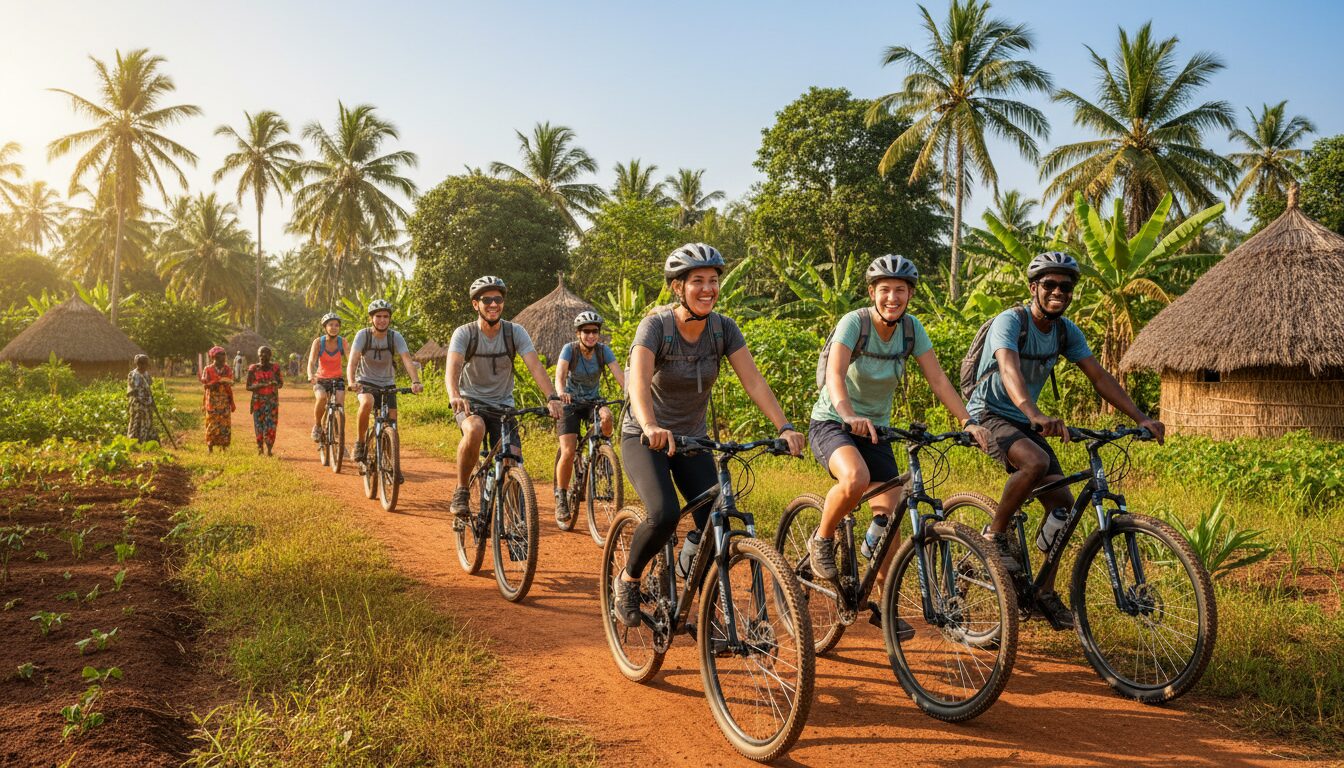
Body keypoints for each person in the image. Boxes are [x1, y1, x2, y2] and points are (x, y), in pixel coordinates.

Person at [964, 251, 1165, 629]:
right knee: (1035, 463)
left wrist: (1140, 417)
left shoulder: (1065, 331)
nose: (1058, 292)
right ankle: (993, 534)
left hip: (1027, 420)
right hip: (989, 414)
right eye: (1050, 285)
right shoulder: (1012, 321)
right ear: (1033, 288)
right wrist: (1033, 412)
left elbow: (1099, 377)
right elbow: (1007, 367)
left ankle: (1043, 591)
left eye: (1066, 287)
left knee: (1064, 510)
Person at [613, 244, 805, 627]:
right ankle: (628, 579)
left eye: (713, 281)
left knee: (714, 522)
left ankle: (690, 593)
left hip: (692, 440)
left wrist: (783, 426)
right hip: (644, 435)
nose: (707, 289)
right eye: (697, 281)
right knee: (664, 512)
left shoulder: (722, 328)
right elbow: (637, 382)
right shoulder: (656, 326)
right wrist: (650, 425)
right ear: (677, 288)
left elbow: (754, 381)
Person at [806, 255, 991, 627]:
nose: (893, 297)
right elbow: (835, 375)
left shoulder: (911, 330)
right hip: (833, 422)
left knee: (888, 517)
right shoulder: (853, 323)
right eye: (885, 289)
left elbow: (938, 380)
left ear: (910, 295)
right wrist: (847, 414)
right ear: (872, 293)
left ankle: (883, 604)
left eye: (901, 290)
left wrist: (968, 421)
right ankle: (822, 539)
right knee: (855, 479)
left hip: (877, 430)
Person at [445, 276, 565, 518]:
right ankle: (462, 490)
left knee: (511, 459)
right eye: (486, 299)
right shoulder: (465, 333)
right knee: (475, 429)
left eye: (498, 299)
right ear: (475, 304)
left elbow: (535, 366)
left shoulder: (515, 332)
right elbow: (453, 367)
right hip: (471, 403)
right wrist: (455, 395)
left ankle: (515, 523)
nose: (493, 304)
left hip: (503, 406)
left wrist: (552, 396)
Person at [553, 310, 626, 523]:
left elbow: (620, 376)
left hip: (593, 401)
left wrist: (631, 395)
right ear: (578, 333)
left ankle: (603, 459)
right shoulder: (570, 350)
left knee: (607, 417)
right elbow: (560, 376)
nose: (591, 335)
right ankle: (561, 496)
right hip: (570, 403)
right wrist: (561, 393)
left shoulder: (604, 352)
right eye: (586, 332)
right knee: (568, 451)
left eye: (595, 331)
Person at [347, 299, 423, 468]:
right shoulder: (363, 335)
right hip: (365, 381)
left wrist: (415, 381)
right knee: (367, 402)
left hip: (388, 383)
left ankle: (391, 464)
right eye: (378, 316)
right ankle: (360, 443)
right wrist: (351, 381)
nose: (382, 320)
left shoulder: (395, 336)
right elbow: (352, 361)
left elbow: (406, 360)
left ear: (390, 319)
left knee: (392, 425)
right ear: (371, 319)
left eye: (386, 316)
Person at [307, 312, 347, 443]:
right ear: (325, 327)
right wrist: (310, 375)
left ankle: (339, 435)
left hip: (338, 379)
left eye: (337, 325)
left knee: (340, 405)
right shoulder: (318, 342)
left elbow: (352, 359)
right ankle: (318, 425)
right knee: (322, 398)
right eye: (331, 325)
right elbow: (311, 361)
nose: (334, 327)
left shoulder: (343, 342)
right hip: (321, 379)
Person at [246, 346, 284, 456]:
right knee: (258, 425)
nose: (263, 356)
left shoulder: (275, 368)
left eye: (266, 353)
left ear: (270, 355)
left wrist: (275, 383)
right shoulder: (253, 368)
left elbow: (280, 384)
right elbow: (248, 386)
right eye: (261, 353)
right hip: (258, 401)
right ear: (258, 355)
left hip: (272, 402)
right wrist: (260, 385)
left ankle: (269, 449)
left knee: (271, 425)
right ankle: (260, 448)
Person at [201, 346, 235, 452]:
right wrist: (215, 382)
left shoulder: (227, 369)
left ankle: (223, 446)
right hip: (212, 400)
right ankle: (210, 446)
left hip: (224, 399)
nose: (223, 357)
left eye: (224, 355)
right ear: (214, 357)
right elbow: (205, 384)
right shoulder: (208, 369)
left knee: (225, 423)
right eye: (221, 355)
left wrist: (226, 381)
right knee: (212, 422)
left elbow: (231, 381)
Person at [126, 354, 158, 443]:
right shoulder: (132, 374)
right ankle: (134, 441)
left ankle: (144, 440)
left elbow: (148, 388)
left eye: (146, 364)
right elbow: (132, 390)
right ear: (138, 364)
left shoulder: (147, 374)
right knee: (136, 422)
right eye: (143, 364)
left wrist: (151, 401)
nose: (145, 366)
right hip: (137, 403)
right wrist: (140, 397)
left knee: (147, 422)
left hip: (147, 402)